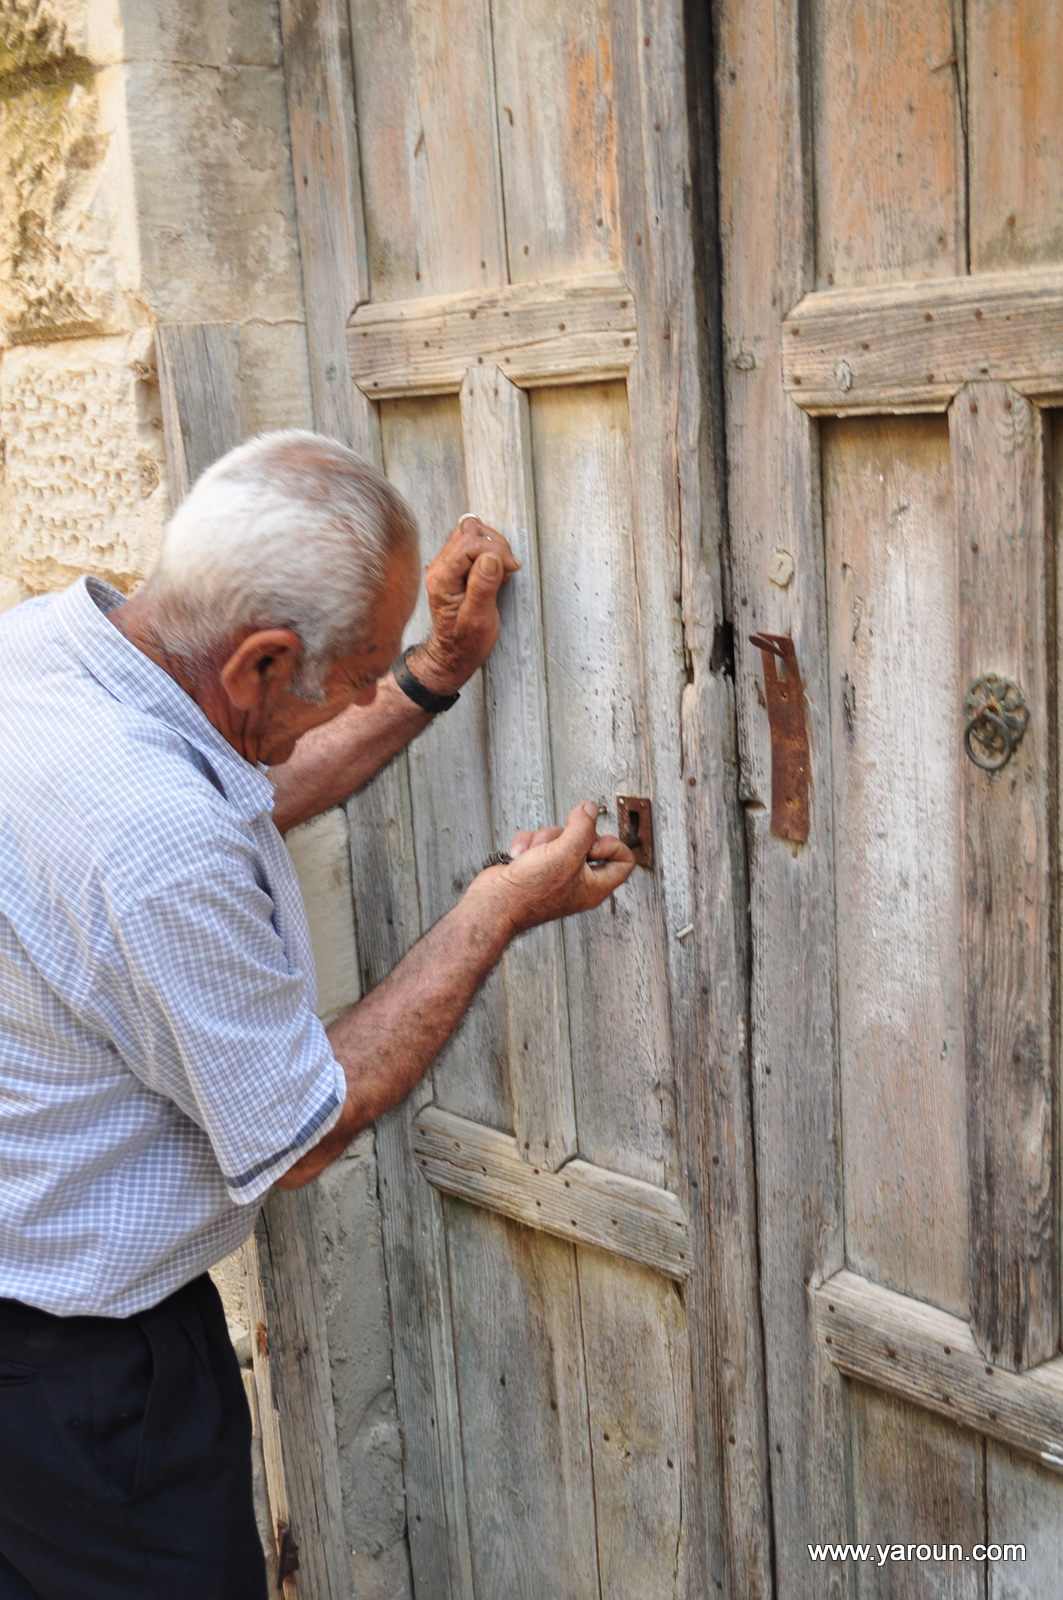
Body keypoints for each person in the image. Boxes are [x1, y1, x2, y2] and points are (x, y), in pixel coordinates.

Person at [0, 430, 634, 1598]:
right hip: (81, 1389)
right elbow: (306, 1127)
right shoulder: (153, 843)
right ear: (260, 660)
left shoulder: (50, 652)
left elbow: (232, 782)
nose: (350, 696)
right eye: (344, 678)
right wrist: (496, 908)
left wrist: (423, 679)